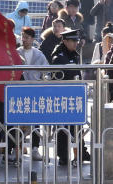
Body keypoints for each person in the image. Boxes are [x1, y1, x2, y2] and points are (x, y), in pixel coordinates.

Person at [50, 29, 90, 165]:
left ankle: (81, 153)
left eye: (76, 41)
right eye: (73, 41)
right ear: (65, 41)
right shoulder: (59, 55)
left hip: (74, 94)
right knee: (63, 127)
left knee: (77, 125)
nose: (75, 44)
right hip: (62, 95)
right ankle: (63, 156)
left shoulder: (74, 54)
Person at [18, 26, 48, 159]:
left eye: (27, 37)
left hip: (35, 90)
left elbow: (46, 71)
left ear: (32, 39)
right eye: (23, 37)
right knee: (18, 120)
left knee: (36, 120)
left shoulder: (39, 54)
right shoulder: (16, 52)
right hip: (19, 91)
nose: (24, 40)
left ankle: (35, 148)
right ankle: (18, 147)